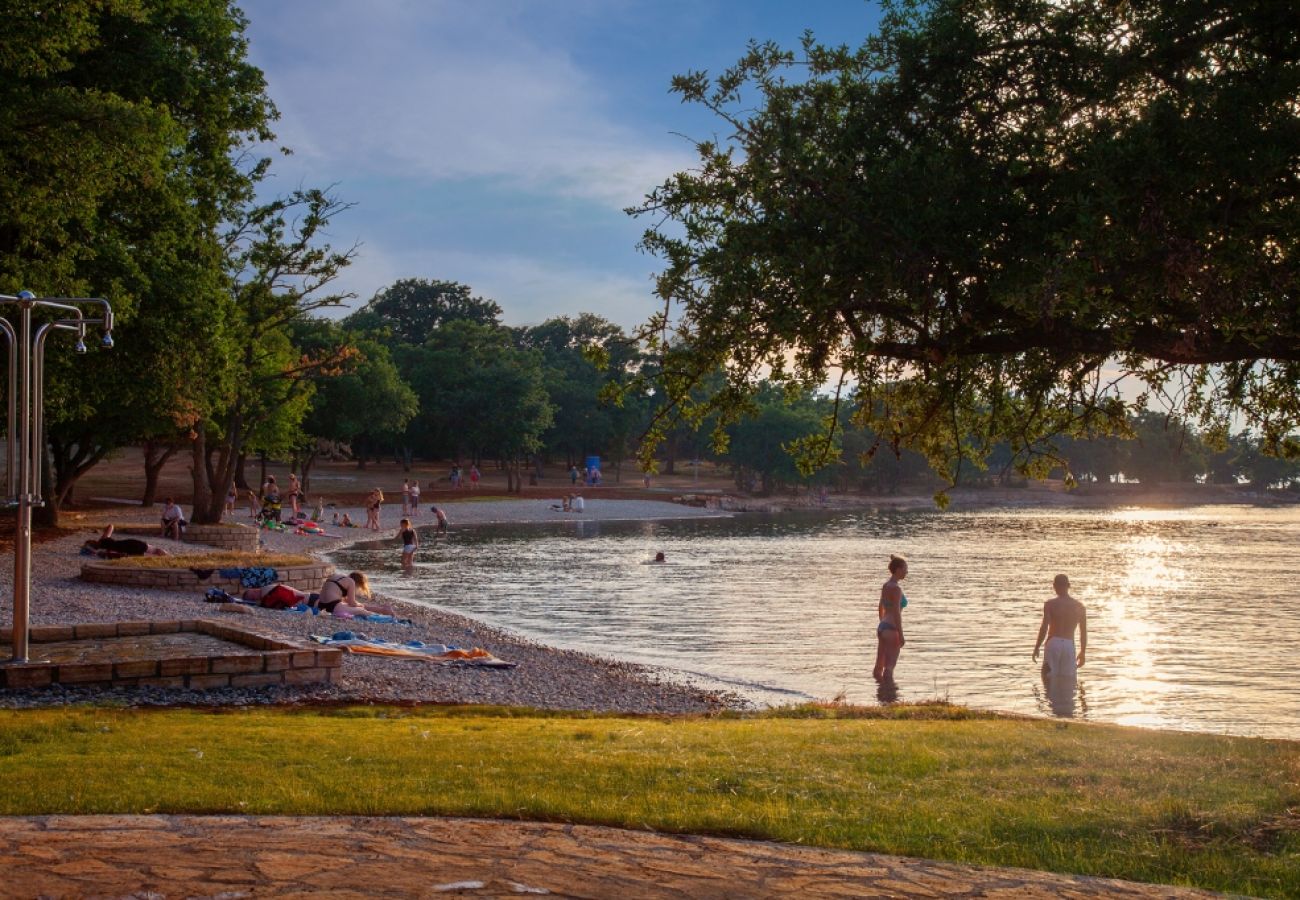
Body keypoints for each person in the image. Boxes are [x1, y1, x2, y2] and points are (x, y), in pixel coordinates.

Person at [1033, 574, 1087, 713]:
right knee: (1068, 678)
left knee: (1048, 675)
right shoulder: (1079, 606)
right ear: (1068, 586)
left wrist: (1037, 647)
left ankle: (1050, 705)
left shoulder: (1050, 604)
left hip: (1053, 643)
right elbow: (1083, 631)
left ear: (1054, 587)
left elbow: (1044, 627)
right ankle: (1068, 708)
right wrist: (1083, 652)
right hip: (1069, 644)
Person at [872, 554, 908, 682]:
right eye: (905, 569)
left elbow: (880, 606)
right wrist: (901, 634)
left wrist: (882, 623)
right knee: (889, 667)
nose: (906, 572)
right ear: (898, 570)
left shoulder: (886, 586)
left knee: (879, 666)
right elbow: (897, 613)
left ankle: (878, 694)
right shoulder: (896, 589)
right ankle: (889, 697)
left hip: (882, 628)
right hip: (892, 629)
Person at [315, 570, 394, 617]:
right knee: (361, 610)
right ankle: (384, 613)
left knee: (359, 606)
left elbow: (345, 601)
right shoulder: (351, 582)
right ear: (358, 583)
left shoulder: (337, 577)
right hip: (332, 606)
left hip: (320, 605)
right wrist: (360, 605)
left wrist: (358, 604)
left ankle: (383, 609)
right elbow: (352, 603)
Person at [83, 525, 168, 558]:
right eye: (92, 542)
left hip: (127, 547)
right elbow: (111, 526)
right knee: (153, 551)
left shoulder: (101, 546)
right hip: (126, 545)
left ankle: (168, 556)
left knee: (152, 553)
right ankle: (169, 556)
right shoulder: (101, 543)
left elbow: (111, 526)